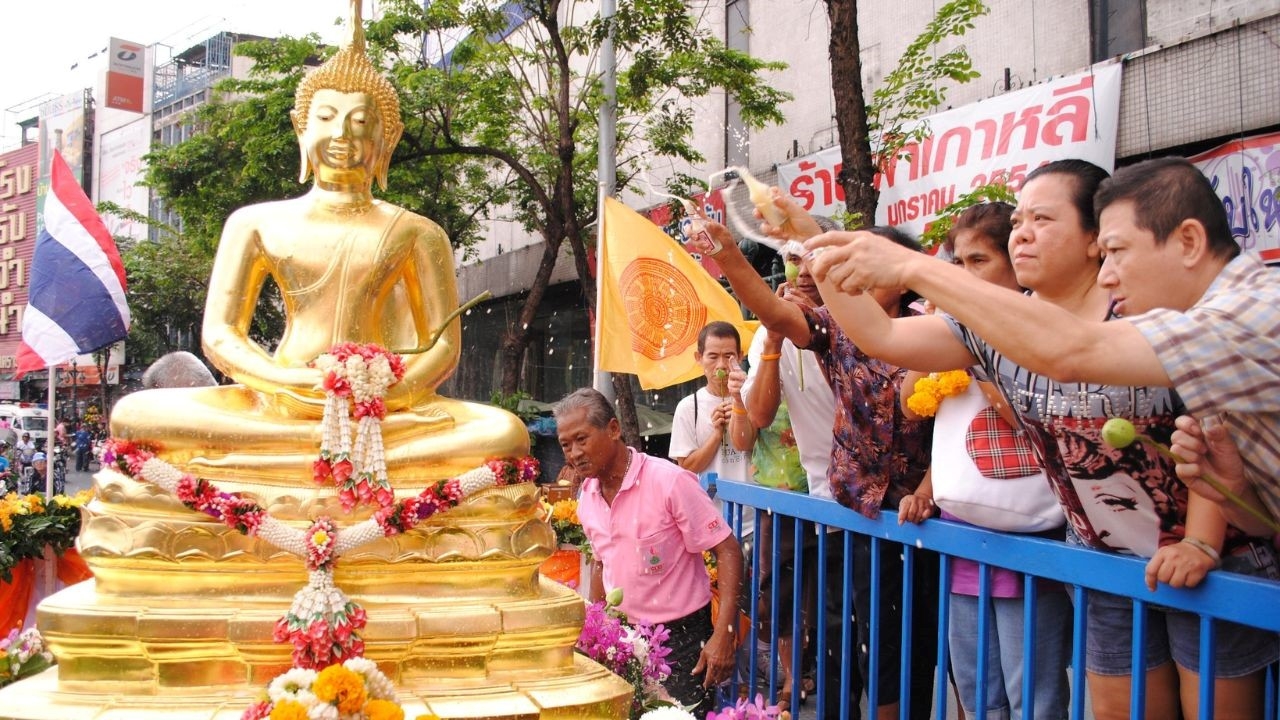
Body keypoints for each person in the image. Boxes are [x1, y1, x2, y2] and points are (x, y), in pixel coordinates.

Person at [797, 159, 1278, 719]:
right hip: (1102, 560)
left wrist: (1199, 542)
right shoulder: (1003, 323)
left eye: (1041, 219)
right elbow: (880, 335)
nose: (1020, 232)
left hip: (1211, 562)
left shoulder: (1172, 318)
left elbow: (1185, 420)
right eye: (1017, 219)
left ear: (1094, 239)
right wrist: (816, 246)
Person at [107, 14, 528, 483]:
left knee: (503, 433)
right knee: (135, 416)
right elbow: (221, 335)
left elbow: (444, 346)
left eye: (361, 121)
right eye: (326, 118)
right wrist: (286, 384)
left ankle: (280, 473)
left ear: (386, 138)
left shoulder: (416, 232)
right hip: (279, 402)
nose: (342, 135)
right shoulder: (254, 223)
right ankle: (328, 470)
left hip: (383, 413)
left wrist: (381, 395)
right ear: (300, 128)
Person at [689, 217, 937, 720]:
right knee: (843, 643)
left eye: (878, 262)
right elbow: (773, 312)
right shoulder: (835, 329)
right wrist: (729, 253)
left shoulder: (934, 332)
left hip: (919, 522)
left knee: (906, 653)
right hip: (851, 513)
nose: (863, 273)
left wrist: (930, 487)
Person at [898, 202, 1071, 720]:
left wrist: (982, 349)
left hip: (1028, 540)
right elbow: (912, 403)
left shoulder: (1041, 329)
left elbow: (1033, 421)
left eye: (978, 262)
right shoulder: (951, 328)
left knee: (1032, 698)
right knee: (975, 693)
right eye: (958, 264)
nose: (963, 276)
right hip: (962, 534)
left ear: (1017, 268)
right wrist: (926, 490)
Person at [554, 388, 743, 715]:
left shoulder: (669, 481)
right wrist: (597, 632)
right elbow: (602, 562)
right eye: (565, 445)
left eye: (582, 439)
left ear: (613, 429)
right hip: (625, 640)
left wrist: (724, 635)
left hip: (683, 641)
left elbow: (727, 551)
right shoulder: (587, 497)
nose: (574, 453)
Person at [668, 321, 751, 500]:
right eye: (712, 356)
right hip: (710, 517)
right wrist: (716, 434)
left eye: (729, 356)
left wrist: (740, 410)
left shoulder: (752, 397)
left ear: (740, 356)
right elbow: (686, 467)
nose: (721, 365)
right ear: (699, 358)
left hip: (754, 514)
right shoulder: (688, 408)